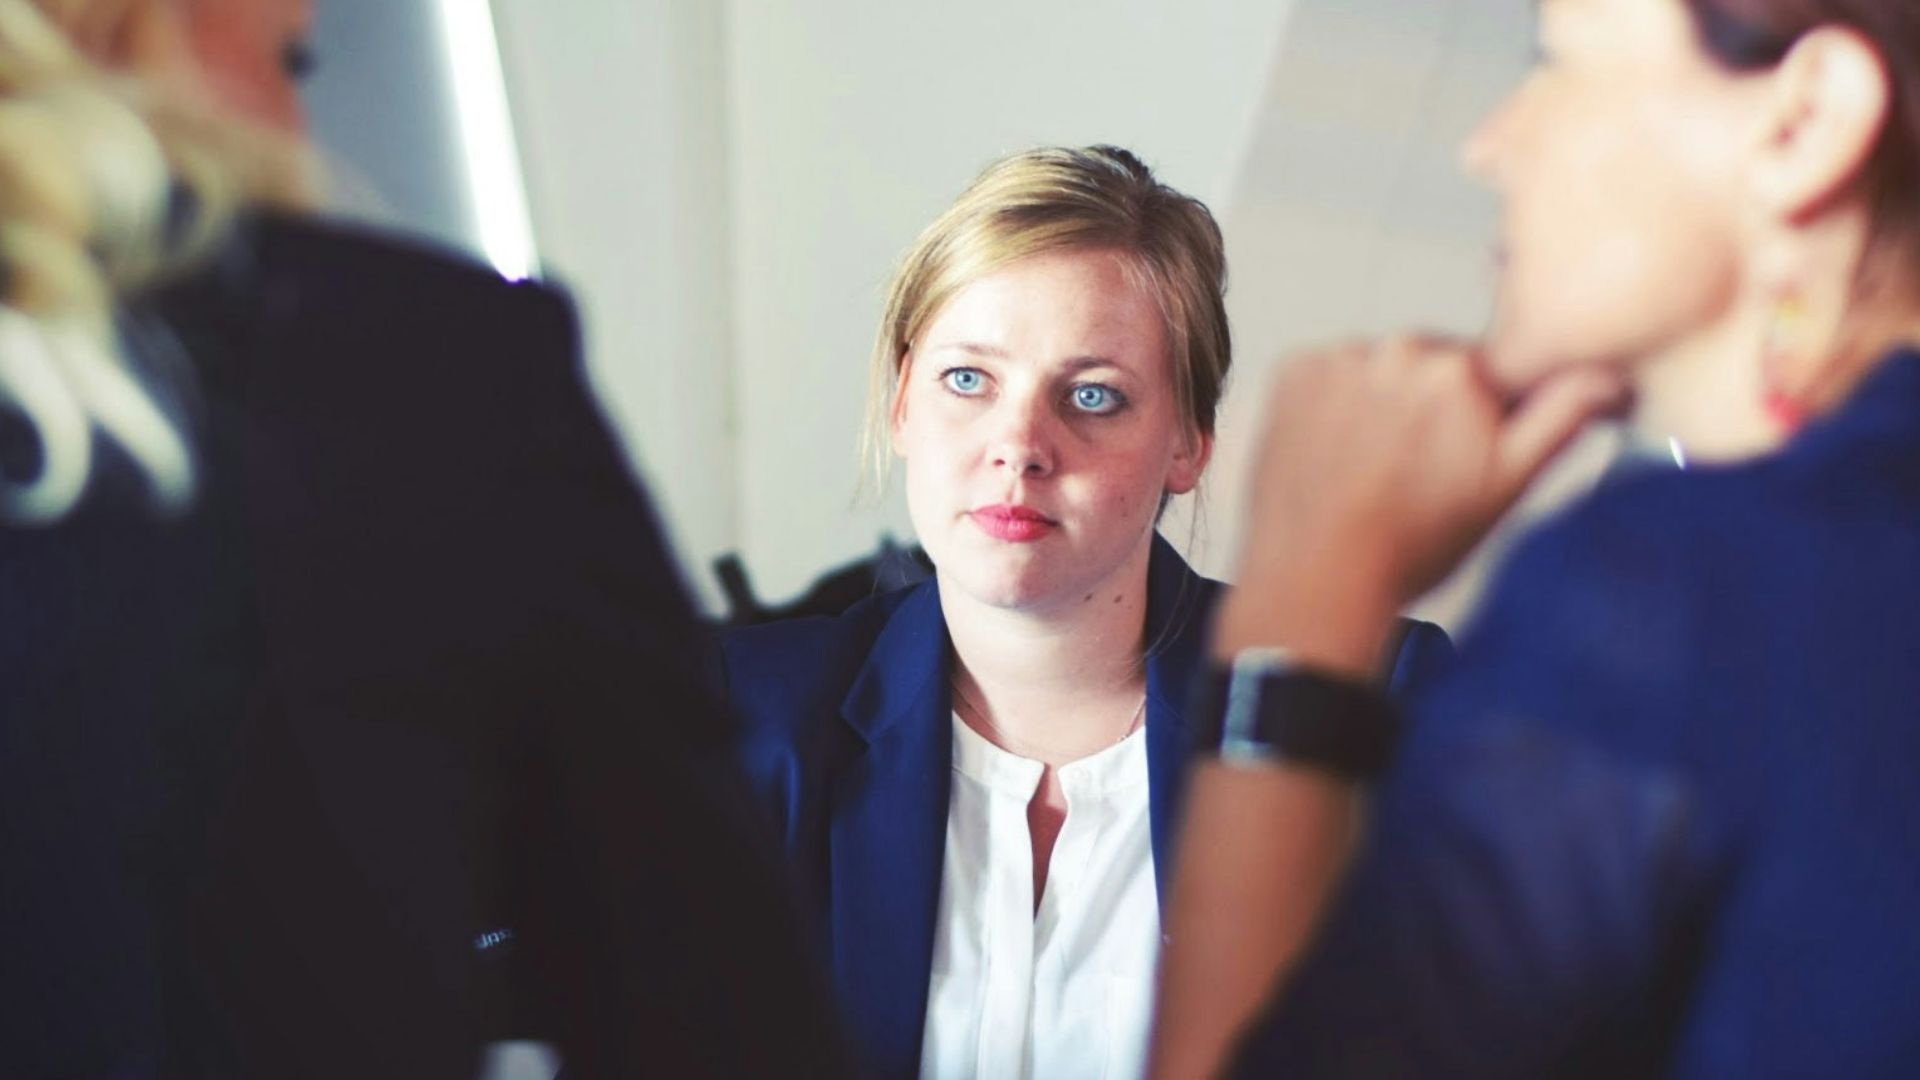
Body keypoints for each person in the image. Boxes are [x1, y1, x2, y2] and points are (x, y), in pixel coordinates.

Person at [0, 2, 845, 1076]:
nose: (300, 125)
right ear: (135, 30)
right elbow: (713, 1018)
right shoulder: (410, 372)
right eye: (288, 60)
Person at [1151, 0, 1920, 1076]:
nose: (1489, 145)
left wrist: (1308, 582)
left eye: (1556, 64)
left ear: (1806, 122)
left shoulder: (1681, 588)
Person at [718, 144, 1453, 1080]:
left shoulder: (1370, 705)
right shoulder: (743, 717)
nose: (1018, 446)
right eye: (968, 380)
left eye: (1093, 396)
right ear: (902, 401)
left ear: (1187, 444)